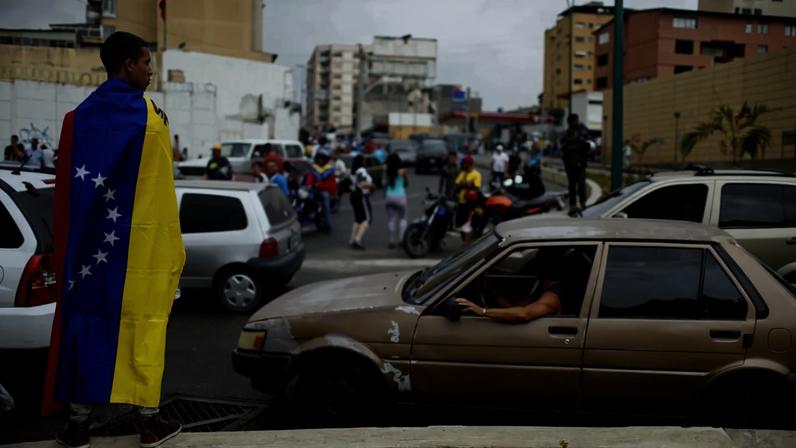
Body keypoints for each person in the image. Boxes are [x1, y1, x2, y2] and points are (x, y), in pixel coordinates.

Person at [43, 31, 185, 448]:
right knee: (143, 327)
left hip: (89, 250)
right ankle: (149, 421)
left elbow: (71, 190)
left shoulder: (78, 117)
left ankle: (78, 425)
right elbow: (158, 190)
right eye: (147, 65)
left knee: (86, 327)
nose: (151, 73)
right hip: (139, 250)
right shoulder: (150, 116)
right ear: (128, 64)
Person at [560, 114, 591, 213]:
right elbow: (564, 149)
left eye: (577, 121)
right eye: (575, 121)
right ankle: (572, 205)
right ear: (570, 122)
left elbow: (589, 143)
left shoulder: (583, 132)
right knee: (572, 185)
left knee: (581, 184)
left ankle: (583, 204)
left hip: (581, 163)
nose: (577, 123)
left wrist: (586, 146)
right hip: (570, 164)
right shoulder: (566, 135)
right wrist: (576, 147)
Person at [306, 150, 336, 231]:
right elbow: (309, 179)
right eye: (319, 159)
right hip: (314, 190)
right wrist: (308, 185)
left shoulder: (329, 169)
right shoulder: (314, 169)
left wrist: (333, 192)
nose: (320, 160)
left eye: (322, 159)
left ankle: (328, 224)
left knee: (326, 207)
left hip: (324, 191)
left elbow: (332, 182)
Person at [349, 154, 374, 250]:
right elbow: (362, 183)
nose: (365, 162)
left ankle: (352, 240)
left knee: (358, 219)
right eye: (363, 160)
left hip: (354, 196)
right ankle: (357, 240)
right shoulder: (361, 170)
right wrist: (372, 185)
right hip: (362, 196)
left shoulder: (353, 171)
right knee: (367, 219)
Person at [454, 155, 482, 243]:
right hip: (461, 202)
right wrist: (466, 184)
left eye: (464, 164)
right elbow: (456, 184)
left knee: (467, 225)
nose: (462, 165)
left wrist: (464, 184)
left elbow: (476, 187)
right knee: (460, 225)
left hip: (470, 204)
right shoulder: (462, 173)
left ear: (469, 164)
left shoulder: (476, 174)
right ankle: (467, 243)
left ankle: (467, 246)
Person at [384, 152, 409, 249]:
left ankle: (391, 240)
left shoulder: (387, 170)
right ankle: (402, 239)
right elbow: (406, 183)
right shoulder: (402, 171)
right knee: (402, 218)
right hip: (400, 196)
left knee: (391, 219)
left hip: (389, 196)